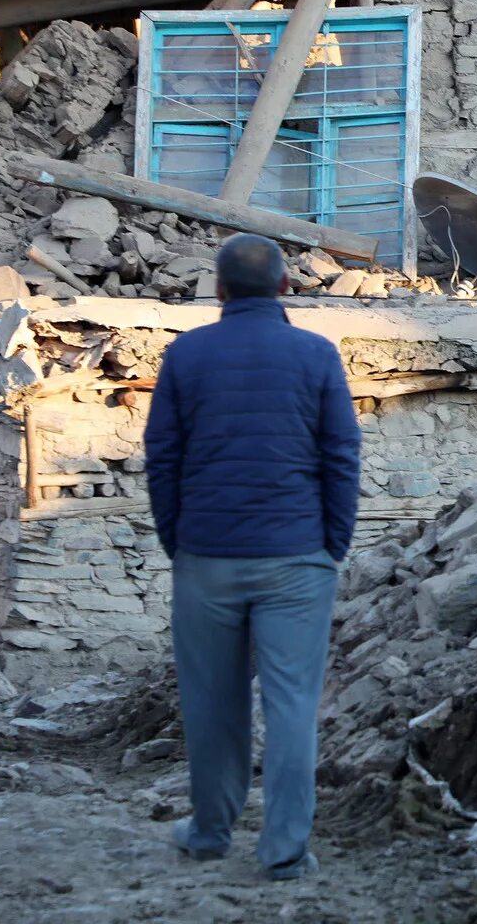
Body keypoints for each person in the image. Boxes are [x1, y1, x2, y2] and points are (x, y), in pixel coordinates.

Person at [143, 232, 361, 880]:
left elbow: (163, 459)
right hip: (297, 559)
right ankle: (285, 850)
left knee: (211, 702)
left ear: (220, 288)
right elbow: (341, 456)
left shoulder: (185, 356)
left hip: (206, 558)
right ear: (286, 288)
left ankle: (210, 831)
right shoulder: (317, 356)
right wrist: (333, 544)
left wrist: (177, 541)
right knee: (292, 706)